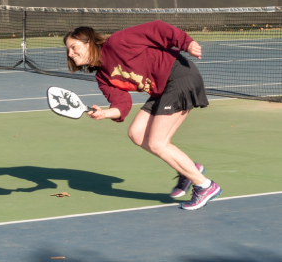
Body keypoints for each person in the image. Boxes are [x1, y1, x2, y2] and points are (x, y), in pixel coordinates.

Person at [63, 20, 222, 210]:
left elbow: (156, 29)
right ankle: (188, 169)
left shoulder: (117, 43)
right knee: (137, 133)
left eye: (73, 47)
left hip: (179, 77)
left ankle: (205, 186)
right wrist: (103, 114)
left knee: (157, 142)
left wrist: (185, 43)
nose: (70, 54)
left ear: (88, 42)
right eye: (68, 50)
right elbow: (122, 105)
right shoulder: (102, 77)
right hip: (162, 89)